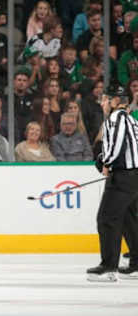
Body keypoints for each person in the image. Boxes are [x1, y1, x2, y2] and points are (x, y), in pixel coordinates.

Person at [87, 88, 138, 281]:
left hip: (122, 176)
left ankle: (108, 267)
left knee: (107, 219)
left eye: (105, 100)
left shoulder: (116, 118)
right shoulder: (132, 120)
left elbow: (116, 144)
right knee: (128, 220)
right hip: (134, 177)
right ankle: (136, 264)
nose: (102, 104)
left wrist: (106, 162)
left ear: (116, 101)